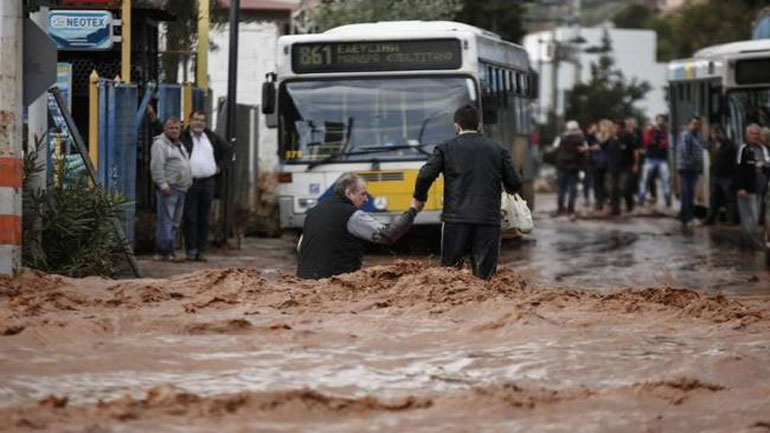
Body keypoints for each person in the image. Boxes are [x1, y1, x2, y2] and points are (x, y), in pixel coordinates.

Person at [412, 105, 521, 280]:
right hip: (488, 220)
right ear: (479, 125)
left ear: (457, 126)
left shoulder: (445, 148)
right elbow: (515, 183)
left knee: (450, 276)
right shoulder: (498, 149)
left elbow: (425, 175)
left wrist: (419, 198)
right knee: (486, 278)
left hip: (456, 221)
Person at [297, 173, 422, 279]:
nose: (366, 199)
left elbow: (301, 247)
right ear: (349, 193)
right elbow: (388, 234)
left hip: (304, 281)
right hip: (336, 283)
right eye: (363, 194)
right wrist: (412, 211)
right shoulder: (352, 215)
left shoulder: (312, 212)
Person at [181, 110, 231, 262]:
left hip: (208, 182)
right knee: (190, 217)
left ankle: (201, 250)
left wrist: (220, 167)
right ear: (190, 121)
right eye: (196, 119)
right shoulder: (183, 137)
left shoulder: (211, 137)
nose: (199, 123)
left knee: (204, 218)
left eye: (202, 120)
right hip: (190, 182)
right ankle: (191, 250)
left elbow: (228, 150)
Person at [150, 117, 192, 261]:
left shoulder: (178, 144)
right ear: (164, 129)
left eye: (177, 128)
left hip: (181, 188)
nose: (174, 131)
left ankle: (169, 250)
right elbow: (156, 166)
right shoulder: (160, 144)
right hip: (169, 188)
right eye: (171, 128)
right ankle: (163, 251)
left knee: (174, 222)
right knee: (166, 221)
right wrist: (162, 184)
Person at [735, 123, 770, 249]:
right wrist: (740, 187)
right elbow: (738, 169)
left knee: (755, 216)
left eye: (757, 134)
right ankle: (749, 241)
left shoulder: (763, 149)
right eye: (752, 134)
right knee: (748, 217)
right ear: (747, 135)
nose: (755, 136)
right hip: (747, 189)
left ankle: (749, 241)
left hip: (760, 189)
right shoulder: (743, 149)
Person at [675, 116, 704, 233]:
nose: (696, 126)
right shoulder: (686, 135)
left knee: (688, 193)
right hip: (687, 168)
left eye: (698, 124)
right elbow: (686, 153)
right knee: (688, 193)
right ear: (689, 124)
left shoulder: (697, 135)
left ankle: (684, 217)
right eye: (694, 124)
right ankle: (688, 218)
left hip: (693, 168)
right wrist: (695, 165)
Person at [553, 120, 587, 217]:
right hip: (574, 167)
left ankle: (560, 208)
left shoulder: (561, 137)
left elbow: (554, 148)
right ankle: (570, 209)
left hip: (561, 166)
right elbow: (585, 151)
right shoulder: (581, 138)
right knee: (573, 188)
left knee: (561, 188)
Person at [705, 125, 737, 225]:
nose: (715, 135)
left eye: (717, 133)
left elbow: (734, 161)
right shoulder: (712, 145)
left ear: (721, 133)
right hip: (715, 176)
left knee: (729, 199)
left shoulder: (730, 144)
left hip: (727, 176)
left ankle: (731, 220)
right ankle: (711, 219)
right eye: (713, 133)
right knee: (714, 199)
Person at [638, 114, 671, 208]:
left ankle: (668, 200)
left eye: (663, 120)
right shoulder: (650, 130)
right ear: (656, 121)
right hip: (650, 158)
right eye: (660, 120)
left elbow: (666, 144)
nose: (662, 122)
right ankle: (641, 198)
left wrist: (657, 142)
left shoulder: (665, 132)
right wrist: (659, 142)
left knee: (665, 180)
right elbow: (647, 141)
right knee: (645, 180)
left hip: (662, 159)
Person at [606, 120, 635, 215]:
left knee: (624, 187)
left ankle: (630, 203)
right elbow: (601, 146)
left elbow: (635, 151)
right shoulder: (611, 138)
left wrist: (636, 164)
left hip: (625, 166)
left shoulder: (628, 137)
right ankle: (615, 209)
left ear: (622, 128)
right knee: (613, 188)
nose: (615, 129)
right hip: (613, 167)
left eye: (617, 127)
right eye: (614, 127)